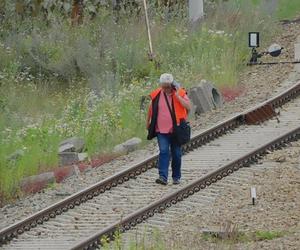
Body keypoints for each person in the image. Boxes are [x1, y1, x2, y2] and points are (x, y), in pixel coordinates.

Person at [146, 73, 191, 185]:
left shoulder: (180, 93)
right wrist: (148, 123)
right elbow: (150, 109)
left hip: (176, 129)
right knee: (164, 151)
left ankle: (176, 177)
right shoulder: (156, 95)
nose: (165, 89)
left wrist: (178, 97)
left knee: (176, 154)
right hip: (161, 130)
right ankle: (163, 177)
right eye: (163, 86)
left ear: (172, 85)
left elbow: (188, 107)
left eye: (167, 86)